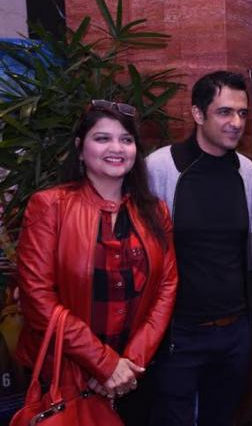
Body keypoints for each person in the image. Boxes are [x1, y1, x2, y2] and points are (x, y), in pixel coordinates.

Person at [15, 100, 178, 422]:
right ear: (80, 148)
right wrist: (104, 364)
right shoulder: (50, 206)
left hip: (134, 375)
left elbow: (167, 286)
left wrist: (128, 365)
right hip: (65, 375)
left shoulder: (155, 211)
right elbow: (37, 298)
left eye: (126, 139)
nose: (116, 148)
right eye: (102, 138)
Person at [146, 71, 252, 426]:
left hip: (235, 330)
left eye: (242, 113)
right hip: (179, 333)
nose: (236, 122)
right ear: (197, 113)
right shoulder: (161, 167)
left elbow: (251, 252)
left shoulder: (247, 172)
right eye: (224, 112)